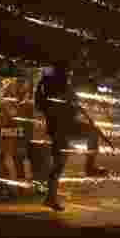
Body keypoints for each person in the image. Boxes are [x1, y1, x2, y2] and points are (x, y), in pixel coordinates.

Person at [34, 61, 107, 211]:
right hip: (60, 129)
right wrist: (69, 101)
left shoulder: (60, 88)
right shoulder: (51, 90)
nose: (70, 76)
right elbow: (50, 107)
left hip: (67, 126)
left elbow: (72, 104)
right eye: (68, 73)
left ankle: (89, 167)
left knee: (91, 134)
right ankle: (50, 197)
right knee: (59, 164)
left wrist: (73, 102)